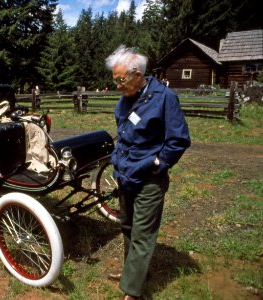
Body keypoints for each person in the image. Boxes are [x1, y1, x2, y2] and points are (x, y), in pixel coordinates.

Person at [105, 45, 191, 299]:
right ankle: (132, 272)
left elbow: (178, 140)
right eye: (115, 80)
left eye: (121, 80)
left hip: (149, 180)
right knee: (128, 227)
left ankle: (132, 291)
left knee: (143, 234)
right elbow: (124, 133)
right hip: (126, 175)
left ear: (138, 76)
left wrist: (157, 164)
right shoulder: (125, 99)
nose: (117, 85)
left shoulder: (165, 98)